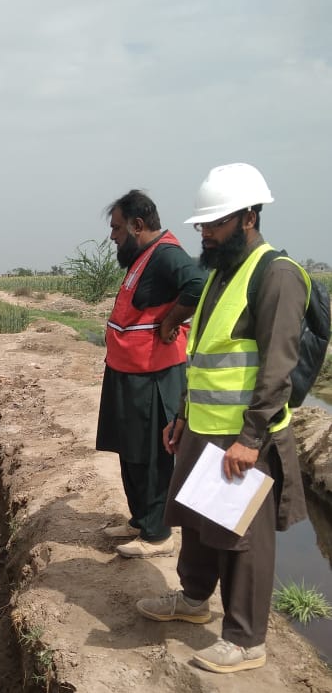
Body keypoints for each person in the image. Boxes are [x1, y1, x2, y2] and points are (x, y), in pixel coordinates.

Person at [137, 163, 310, 673]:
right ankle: (193, 602)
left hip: (244, 436)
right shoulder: (219, 274)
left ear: (249, 217)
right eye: (203, 226)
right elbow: (205, 357)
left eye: (216, 224)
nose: (206, 235)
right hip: (205, 428)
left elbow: (278, 367)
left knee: (243, 540)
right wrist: (184, 416)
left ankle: (244, 640)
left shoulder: (275, 274)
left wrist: (251, 438)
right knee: (196, 521)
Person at [96, 189, 206, 558]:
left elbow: (197, 284)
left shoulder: (166, 255)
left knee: (152, 455)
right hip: (130, 371)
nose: (113, 236)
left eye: (117, 229)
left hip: (154, 376)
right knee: (130, 451)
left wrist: (172, 321)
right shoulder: (142, 257)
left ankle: (158, 534)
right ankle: (140, 519)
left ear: (137, 225)